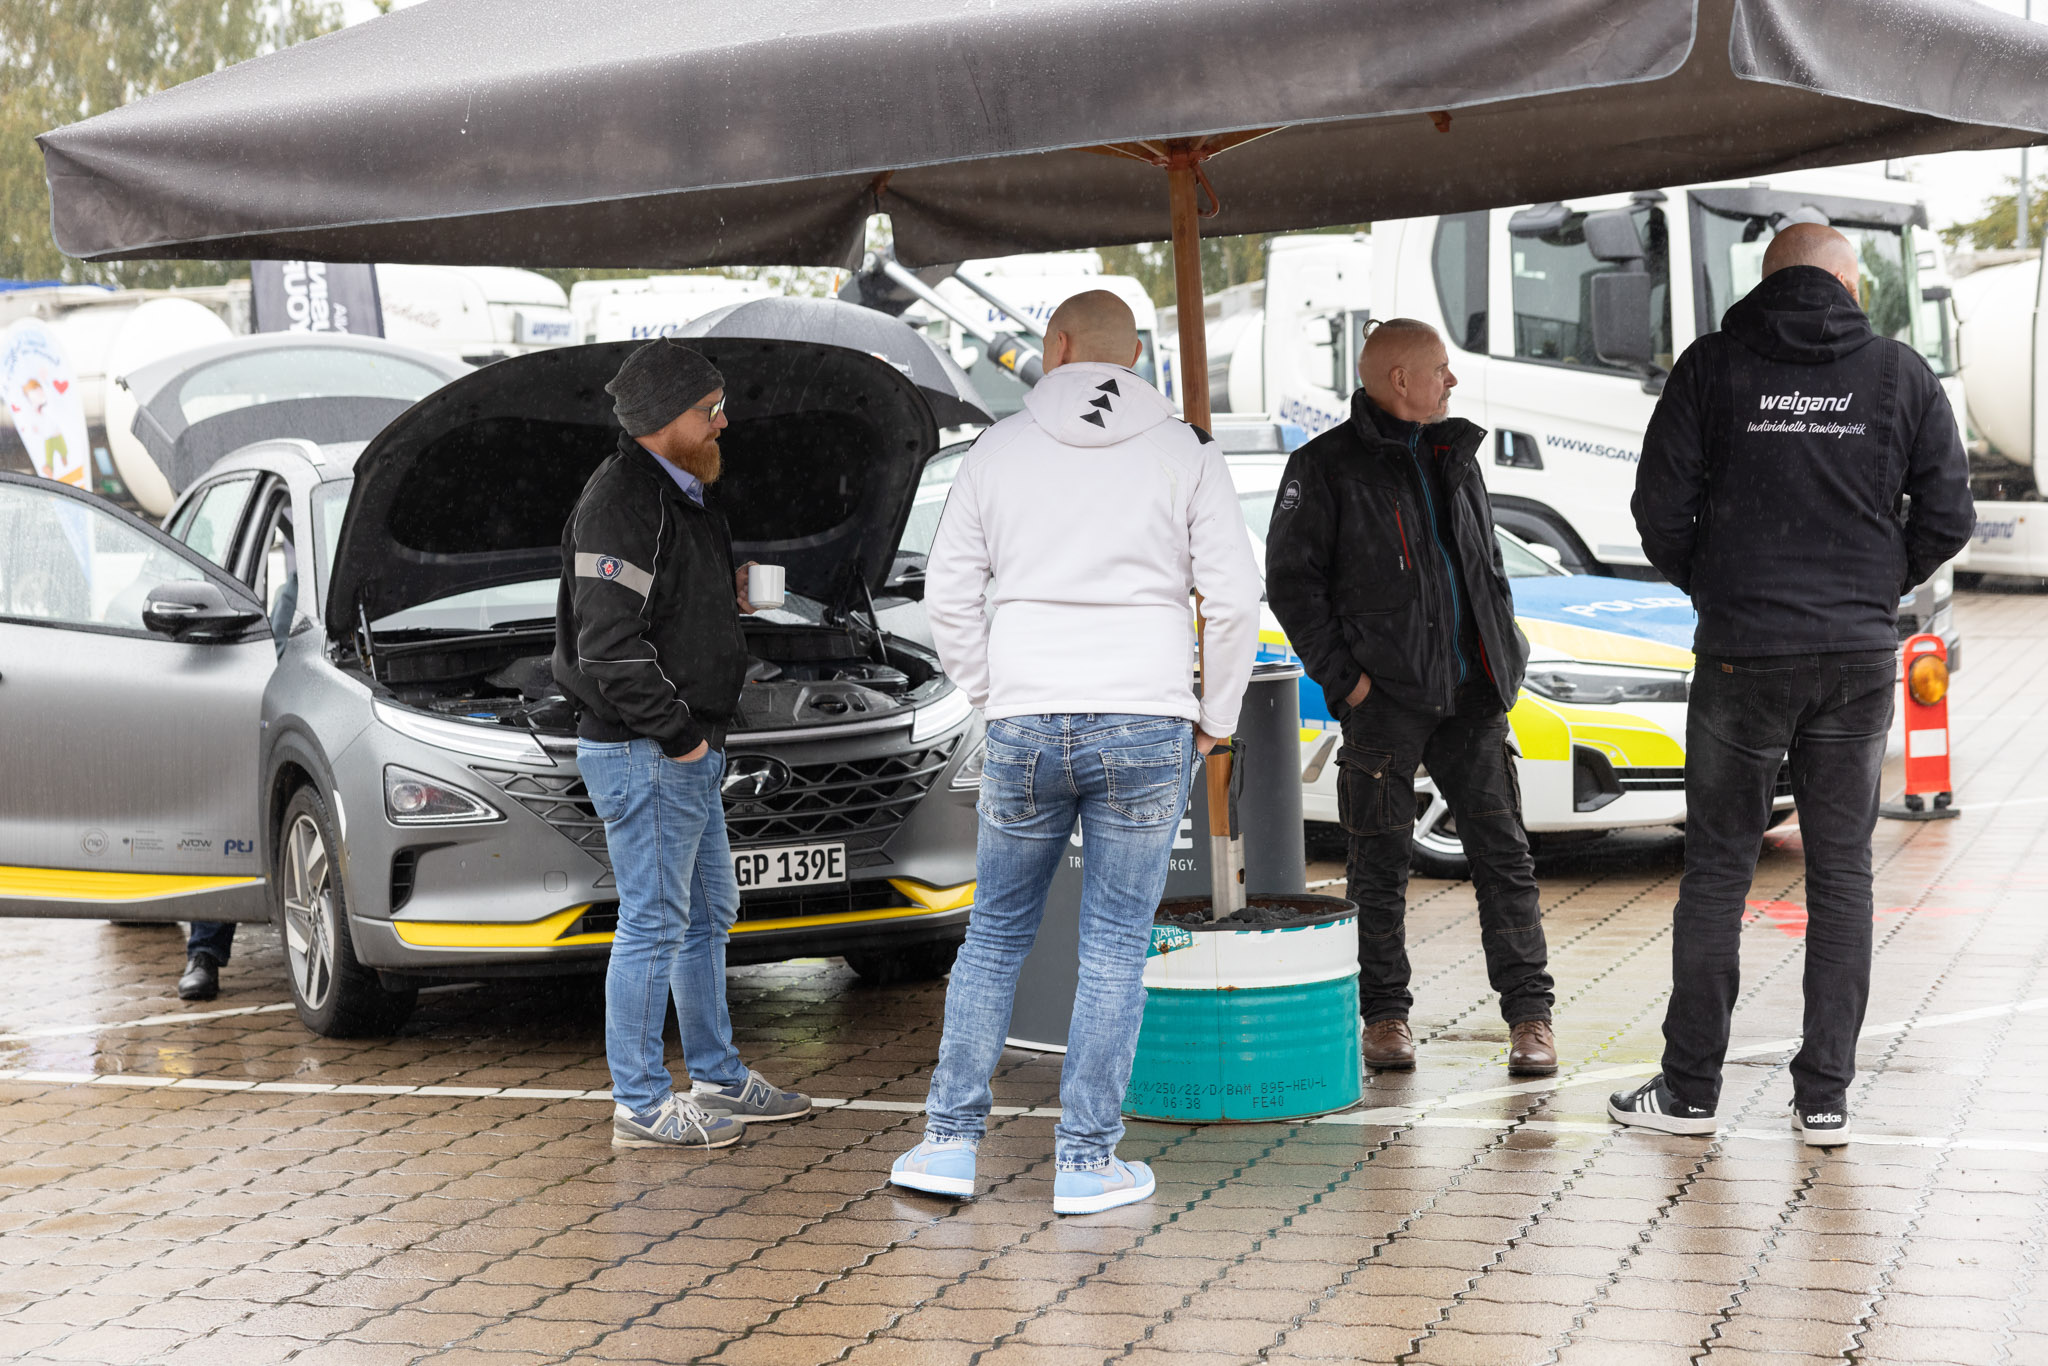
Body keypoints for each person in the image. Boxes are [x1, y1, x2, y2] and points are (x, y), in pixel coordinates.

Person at [891, 291, 1261, 1215]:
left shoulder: (997, 448)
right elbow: (1232, 599)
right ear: (1132, 357)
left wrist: (993, 690)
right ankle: (1087, 1162)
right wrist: (1214, 715)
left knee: (994, 935)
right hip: (1146, 715)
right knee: (1115, 946)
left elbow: (947, 594)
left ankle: (947, 1145)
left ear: (1055, 346)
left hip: (1026, 713)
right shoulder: (1186, 451)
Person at [1612, 223, 1973, 1146]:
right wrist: (1874, 586)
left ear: (1766, 279)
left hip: (1743, 653)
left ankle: (1690, 1092)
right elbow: (1949, 515)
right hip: (1855, 656)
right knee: (1842, 873)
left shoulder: (1711, 366)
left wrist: (1718, 584)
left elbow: (1657, 509)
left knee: (1718, 870)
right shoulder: (1899, 373)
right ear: (1849, 285)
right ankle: (1824, 1100)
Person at [1265, 319, 1556, 1076]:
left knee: (1506, 857)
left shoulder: (1454, 453)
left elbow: (1486, 568)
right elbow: (1292, 587)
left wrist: (1504, 654)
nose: (1451, 381)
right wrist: (1349, 682)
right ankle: (1385, 1018)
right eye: (1440, 369)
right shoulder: (1323, 466)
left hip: (1474, 697)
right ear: (1399, 379)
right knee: (1378, 865)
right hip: (1385, 702)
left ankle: (1531, 1018)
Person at [553, 338, 811, 1150]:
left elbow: (653, 608)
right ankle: (639, 1104)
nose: (724, 422)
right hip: (649, 751)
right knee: (656, 924)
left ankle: (718, 1077)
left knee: (705, 915)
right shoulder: (621, 500)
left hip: (677, 749)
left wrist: (721, 593)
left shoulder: (680, 492)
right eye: (711, 410)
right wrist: (681, 739)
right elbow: (608, 646)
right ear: (667, 417)